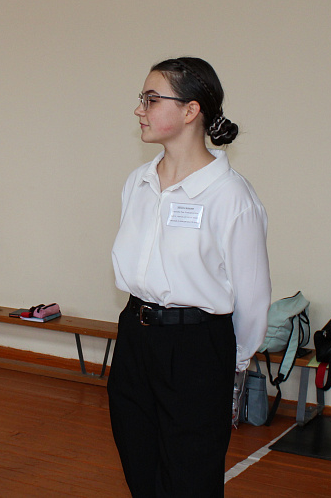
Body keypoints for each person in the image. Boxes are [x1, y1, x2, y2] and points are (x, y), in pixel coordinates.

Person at [108, 57, 271, 498]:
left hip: (197, 348)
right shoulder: (138, 182)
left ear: (190, 110)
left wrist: (232, 367)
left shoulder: (231, 196)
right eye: (141, 99)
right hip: (135, 336)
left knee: (190, 476)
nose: (139, 109)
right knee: (139, 462)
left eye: (151, 99)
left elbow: (253, 297)